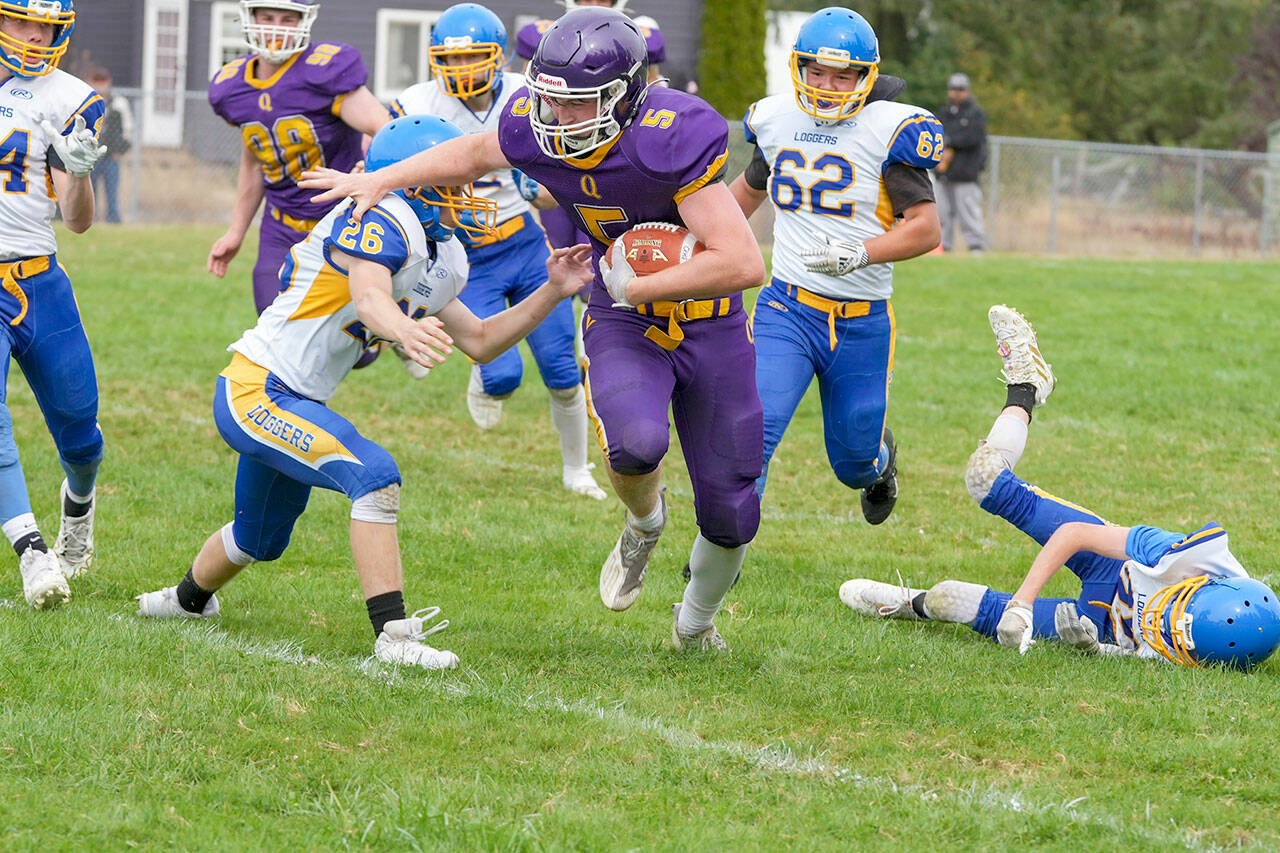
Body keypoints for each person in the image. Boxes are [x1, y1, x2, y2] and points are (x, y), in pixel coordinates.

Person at [302, 7, 766, 651]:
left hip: (706, 320)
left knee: (731, 504)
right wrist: (381, 176)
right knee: (634, 445)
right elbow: (469, 153)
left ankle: (695, 624)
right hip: (624, 316)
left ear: (627, 98)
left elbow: (743, 262)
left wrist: (641, 281)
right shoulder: (534, 122)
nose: (559, 118)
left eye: (579, 104)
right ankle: (644, 522)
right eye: (550, 100)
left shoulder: (670, 137)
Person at [137, 115, 595, 671]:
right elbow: (372, 296)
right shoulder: (379, 215)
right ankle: (394, 637)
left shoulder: (444, 252)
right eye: (449, 181)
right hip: (256, 387)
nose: (463, 193)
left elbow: (479, 339)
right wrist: (403, 330)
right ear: (411, 181)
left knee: (260, 537)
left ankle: (186, 602)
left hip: (298, 397)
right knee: (375, 478)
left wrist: (551, 290)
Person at [841, 306, 1280, 669]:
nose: (1162, 623)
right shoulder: (1185, 554)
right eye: (1177, 611)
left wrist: (1094, 648)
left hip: (1103, 624)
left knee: (949, 603)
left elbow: (1136, 656)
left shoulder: (1208, 650)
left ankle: (907, 602)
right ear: (1203, 584)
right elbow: (1074, 536)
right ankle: (1027, 386)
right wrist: (1023, 602)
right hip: (1114, 564)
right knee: (985, 478)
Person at [728, 7, 942, 524]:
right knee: (752, 437)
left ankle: (881, 465)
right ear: (798, 67)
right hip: (787, 307)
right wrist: (689, 238)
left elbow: (926, 229)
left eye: (842, 74)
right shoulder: (778, 120)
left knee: (854, 463)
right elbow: (742, 197)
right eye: (816, 71)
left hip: (861, 320)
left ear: (866, 76)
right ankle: (717, 554)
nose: (826, 85)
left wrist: (862, 252)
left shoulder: (890, 129)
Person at [392, 3, 604, 501]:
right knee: (503, 375)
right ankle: (482, 373)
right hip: (462, 254)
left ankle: (577, 469)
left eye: (474, 58)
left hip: (523, 242)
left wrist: (544, 182)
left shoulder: (521, 93)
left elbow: (560, 180)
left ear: (501, 57)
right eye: (451, 59)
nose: (463, 70)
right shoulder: (417, 102)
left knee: (562, 369)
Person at [0, 0, 108, 609]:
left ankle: (78, 507)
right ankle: (33, 553)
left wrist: (82, 173)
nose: (36, 36)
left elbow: (78, 222)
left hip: (39, 281)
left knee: (81, 433)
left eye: (48, 26)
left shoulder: (64, 96)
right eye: (22, 21)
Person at [207, 0, 390, 316]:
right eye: (267, 17)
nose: (276, 27)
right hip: (280, 227)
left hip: (341, 221)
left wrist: (369, 173)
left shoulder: (326, 71)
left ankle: (392, 323)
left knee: (354, 341)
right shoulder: (232, 88)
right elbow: (254, 160)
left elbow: (384, 128)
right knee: (273, 322)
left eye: (287, 19)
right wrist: (236, 231)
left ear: (304, 21)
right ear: (249, 19)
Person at [935, 72, 987, 254]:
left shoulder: (975, 113)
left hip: (966, 173)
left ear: (968, 91)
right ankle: (944, 247)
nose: (956, 93)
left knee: (968, 212)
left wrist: (950, 141)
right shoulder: (944, 112)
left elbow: (973, 137)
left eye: (961, 89)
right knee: (942, 213)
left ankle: (976, 247)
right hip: (944, 172)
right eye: (953, 89)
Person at [86, 66, 131, 224]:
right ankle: (91, 220)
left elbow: (127, 130)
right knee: (90, 192)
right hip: (90, 156)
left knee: (112, 191)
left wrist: (120, 150)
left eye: (103, 81)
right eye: (97, 82)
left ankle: (113, 220)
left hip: (111, 155)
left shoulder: (118, 104)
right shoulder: (85, 102)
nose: (100, 85)